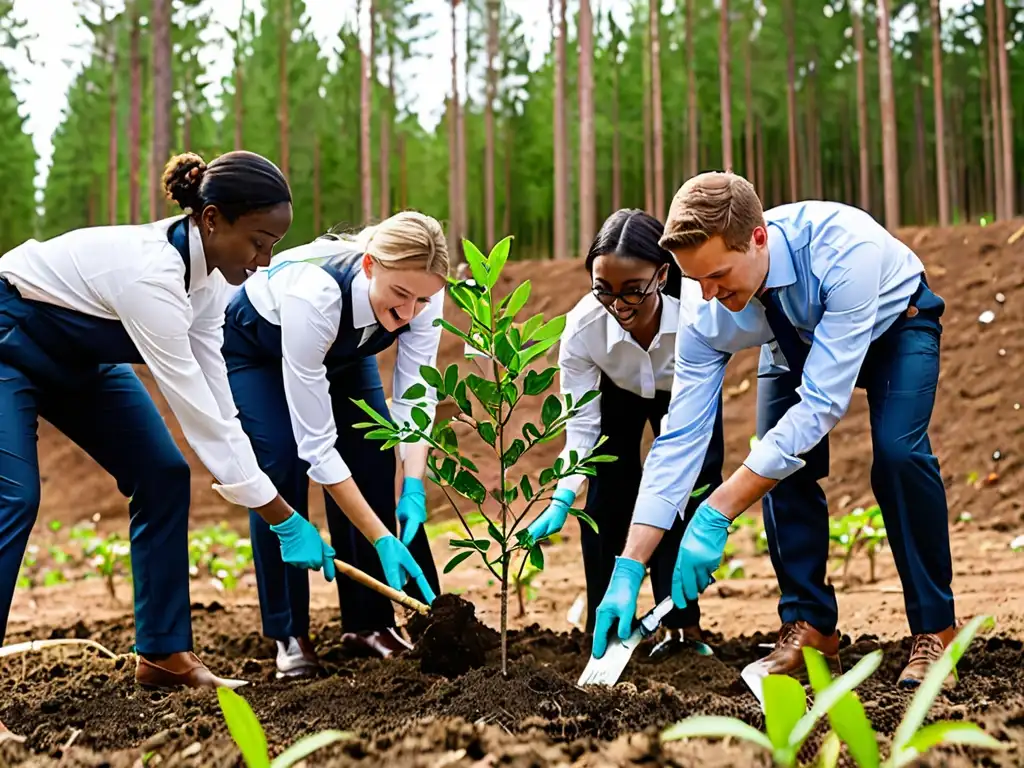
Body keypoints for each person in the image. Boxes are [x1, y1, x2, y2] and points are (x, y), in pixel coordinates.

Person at [591, 171, 956, 689]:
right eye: (695, 281)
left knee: (898, 455)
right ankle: (809, 627)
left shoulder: (844, 248)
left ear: (758, 237)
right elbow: (680, 437)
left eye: (718, 275)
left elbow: (822, 405)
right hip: (791, 338)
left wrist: (718, 509)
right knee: (779, 468)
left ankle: (935, 632)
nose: (709, 295)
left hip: (895, 323)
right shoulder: (706, 304)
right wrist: (630, 565)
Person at [0, 151, 338, 698]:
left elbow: (220, 403)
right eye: (257, 240)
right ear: (210, 220)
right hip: (10, 336)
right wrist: (281, 516)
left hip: (81, 356)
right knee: (12, 497)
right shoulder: (150, 275)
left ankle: (162, 653)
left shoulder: (209, 282)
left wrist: (276, 508)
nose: (262, 259)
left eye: (272, 245)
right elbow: (199, 417)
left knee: (161, 474)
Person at [222, 210, 446, 677]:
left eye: (421, 300)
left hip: (341, 352)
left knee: (374, 455)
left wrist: (414, 487)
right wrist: (382, 537)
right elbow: (318, 447)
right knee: (280, 466)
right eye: (400, 295)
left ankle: (370, 623)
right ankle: (289, 632)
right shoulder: (317, 294)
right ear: (369, 266)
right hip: (258, 347)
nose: (408, 313)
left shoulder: (425, 295)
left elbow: (415, 394)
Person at [523, 209, 725, 658]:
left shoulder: (698, 313)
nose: (619, 306)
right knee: (607, 499)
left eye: (634, 289)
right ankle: (609, 627)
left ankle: (681, 626)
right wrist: (562, 496)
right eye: (604, 290)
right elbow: (582, 426)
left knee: (688, 495)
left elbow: (676, 457)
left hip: (686, 392)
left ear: (663, 273)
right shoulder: (583, 329)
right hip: (618, 392)